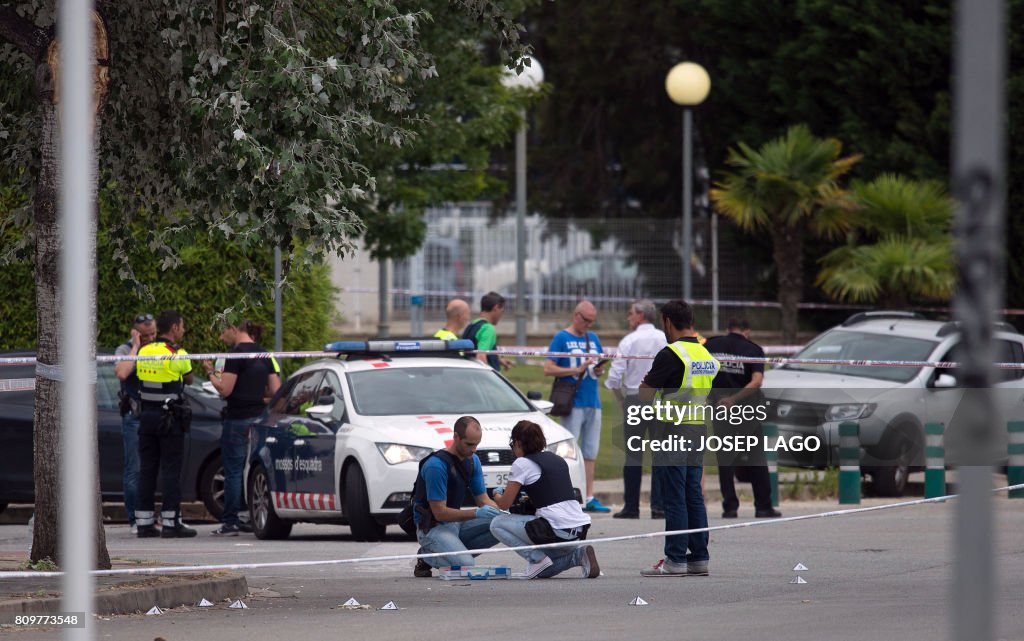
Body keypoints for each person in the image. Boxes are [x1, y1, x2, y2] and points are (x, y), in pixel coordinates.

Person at [639, 299, 719, 576]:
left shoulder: (671, 353)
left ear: (668, 322)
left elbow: (646, 392)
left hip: (673, 428)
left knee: (674, 497)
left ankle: (675, 559)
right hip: (698, 427)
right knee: (693, 494)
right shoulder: (705, 355)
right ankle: (699, 557)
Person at [490, 420, 600, 579]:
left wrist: (496, 493)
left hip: (556, 532)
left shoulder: (521, 463)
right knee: (544, 571)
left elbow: (504, 504)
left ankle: (536, 559)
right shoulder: (557, 459)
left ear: (518, 443)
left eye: (512, 444)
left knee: (497, 524)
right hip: (577, 534)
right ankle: (578, 555)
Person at [204, 319, 282, 535]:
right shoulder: (264, 355)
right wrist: (257, 398)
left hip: (237, 419)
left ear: (234, 329)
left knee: (233, 471)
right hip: (258, 421)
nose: (223, 337)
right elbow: (276, 391)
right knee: (255, 468)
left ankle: (230, 522)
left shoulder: (235, 355)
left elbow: (225, 389)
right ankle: (252, 516)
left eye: (224, 332)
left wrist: (211, 373)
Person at [704, 317, 781, 519]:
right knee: (756, 457)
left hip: (719, 407)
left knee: (725, 459)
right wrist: (735, 399)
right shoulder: (752, 349)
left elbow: (699, 372)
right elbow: (756, 381)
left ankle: (730, 507)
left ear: (728, 328)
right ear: (746, 331)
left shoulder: (711, 345)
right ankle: (763, 506)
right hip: (747, 410)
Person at [412, 416, 502, 578]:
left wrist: (503, 512)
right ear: (456, 437)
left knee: (501, 526)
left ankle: (450, 550)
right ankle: (427, 554)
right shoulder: (435, 466)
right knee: (465, 565)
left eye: (477, 444)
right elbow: (440, 513)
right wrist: (476, 513)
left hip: (455, 524)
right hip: (432, 528)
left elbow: (483, 500)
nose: (474, 449)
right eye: (469, 444)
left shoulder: (473, 460)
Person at [135, 310, 197, 538]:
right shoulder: (177, 353)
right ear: (173, 328)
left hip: (146, 418)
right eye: (182, 326)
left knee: (147, 469)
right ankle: (171, 522)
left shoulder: (144, 350)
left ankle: (144, 523)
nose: (183, 330)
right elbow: (189, 378)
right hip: (169, 419)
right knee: (171, 470)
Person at [604, 300, 667, 519]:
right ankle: (659, 506)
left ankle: (631, 506)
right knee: (660, 454)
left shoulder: (629, 341)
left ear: (640, 315)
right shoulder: (664, 339)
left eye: (630, 313)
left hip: (634, 398)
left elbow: (613, 377)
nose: (628, 317)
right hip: (659, 399)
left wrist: (621, 399)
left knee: (633, 456)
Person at [543, 300, 608, 513]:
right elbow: (548, 368)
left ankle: (589, 496)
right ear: (576, 316)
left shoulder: (593, 338)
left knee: (590, 452)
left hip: (593, 401)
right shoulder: (562, 338)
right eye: (586, 320)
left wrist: (597, 371)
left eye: (592, 321)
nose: (589, 325)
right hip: (573, 401)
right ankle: (565, 495)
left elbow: (595, 365)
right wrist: (575, 370)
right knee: (568, 451)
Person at [113, 312, 157, 534]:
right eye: (145, 335)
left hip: (153, 414)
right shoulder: (125, 350)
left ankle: (148, 516)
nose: (150, 338)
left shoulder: (157, 349)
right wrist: (136, 347)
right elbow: (121, 373)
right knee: (134, 469)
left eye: (153, 334)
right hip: (133, 416)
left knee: (151, 467)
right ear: (136, 333)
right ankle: (134, 518)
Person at [462, 291, 511, 370]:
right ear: (496, 308)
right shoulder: (488, 328)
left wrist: (497, 360)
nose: (501, 315)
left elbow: (472, 354)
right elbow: (480, 356)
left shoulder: (472, 325)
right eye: (501, 311)